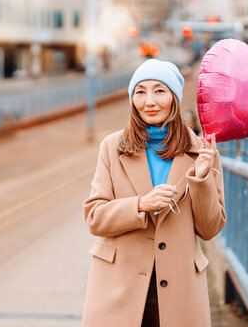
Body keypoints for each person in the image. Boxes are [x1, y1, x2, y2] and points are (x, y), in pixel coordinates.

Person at [82, 59, 226, 327]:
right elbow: (95, 217)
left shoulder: (202, 151)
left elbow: (209, 229)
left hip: (179, 292)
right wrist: (139, 205)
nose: (149, 101)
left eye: (160, 90)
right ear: (132, 99)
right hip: (119, 288)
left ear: (174, 97)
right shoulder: (112, 147)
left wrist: (201, 177)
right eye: (140, 91)